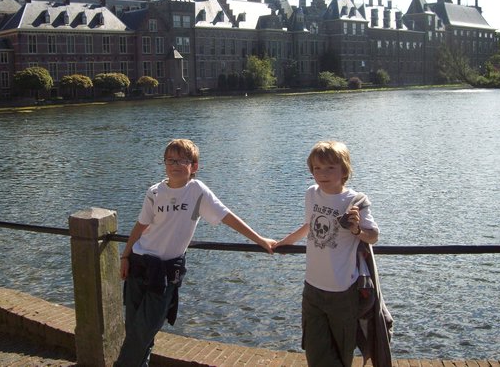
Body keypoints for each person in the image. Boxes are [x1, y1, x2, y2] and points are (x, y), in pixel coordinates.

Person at [115, 138, 275, 367]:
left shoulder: (197, 191)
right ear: (164, 164)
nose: (175, 165)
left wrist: (259, 240)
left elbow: (227, 216)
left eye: (182, 160)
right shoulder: (154, 192)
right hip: (139, 264)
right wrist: (125, 255)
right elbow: (140, 226)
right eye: (170, 160)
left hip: (165, 272)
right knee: (135, 331)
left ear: (194, 166)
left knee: (143, 331)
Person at [273, 140, 380, 367]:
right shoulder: (312, 193)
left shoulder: (354, 201)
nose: (322, 174)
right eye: (317, 168)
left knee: (342, 354)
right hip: (312, 289)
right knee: (315, 352)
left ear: (344, 170)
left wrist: (357, 229)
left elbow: (373, 236)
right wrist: (283, 243)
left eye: (330, 167)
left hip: (342, 292)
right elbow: (309, 225)